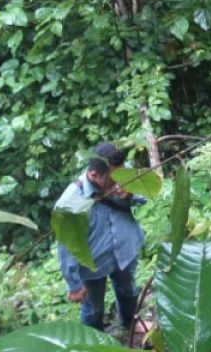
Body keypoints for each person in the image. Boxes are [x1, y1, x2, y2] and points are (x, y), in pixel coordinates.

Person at [57, 142, 145, 331]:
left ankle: (131, 324)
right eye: (113, 178)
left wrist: (128, 195)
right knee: (93, 308)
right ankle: (94, 340)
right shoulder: (70, 202)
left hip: (124, 250)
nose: (119, 181)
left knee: (128, 291)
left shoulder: (123, 172)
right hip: (93, 264)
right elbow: (66, 248)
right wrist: (74, 284)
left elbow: (145, 196)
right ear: (94, 175)